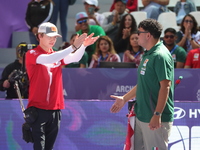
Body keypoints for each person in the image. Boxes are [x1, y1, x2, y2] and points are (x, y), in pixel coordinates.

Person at [25, 22, 98, 150]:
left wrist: (83, 46)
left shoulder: (57, 54)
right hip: (37, 108)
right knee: (39, 147)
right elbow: (49, 59)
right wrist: (72, 46)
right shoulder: (32, 54)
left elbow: (74, 58)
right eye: (49, 36)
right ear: (39, 36)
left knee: (49, 147)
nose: (53, 40)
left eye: (55, 37)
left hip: (55, 108)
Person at [110, 19, 174, 150]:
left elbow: (165, 86)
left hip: (154, 117)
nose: (136, 35)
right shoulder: (148, 54)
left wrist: (157, 114)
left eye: (139, 32)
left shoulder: (160, 55)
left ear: (148, 35)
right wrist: (124, 98)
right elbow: (144, 84)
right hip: (142, 115)